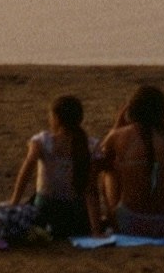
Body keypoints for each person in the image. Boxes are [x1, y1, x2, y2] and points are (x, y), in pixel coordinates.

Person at [97, 83, 164, 238]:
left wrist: (115, 127)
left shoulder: (120, 135)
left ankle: (113, 212)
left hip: (130, 224)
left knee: (109, 170)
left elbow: (97, 159)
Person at [7, 93, 101, 241]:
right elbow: (91, 191)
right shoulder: (91, 145)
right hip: (76, 219)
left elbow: (27, 169)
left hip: (46, 213)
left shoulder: (42, 141)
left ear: (56, 118)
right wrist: (96, 230)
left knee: (34, 201)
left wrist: (14, 202)